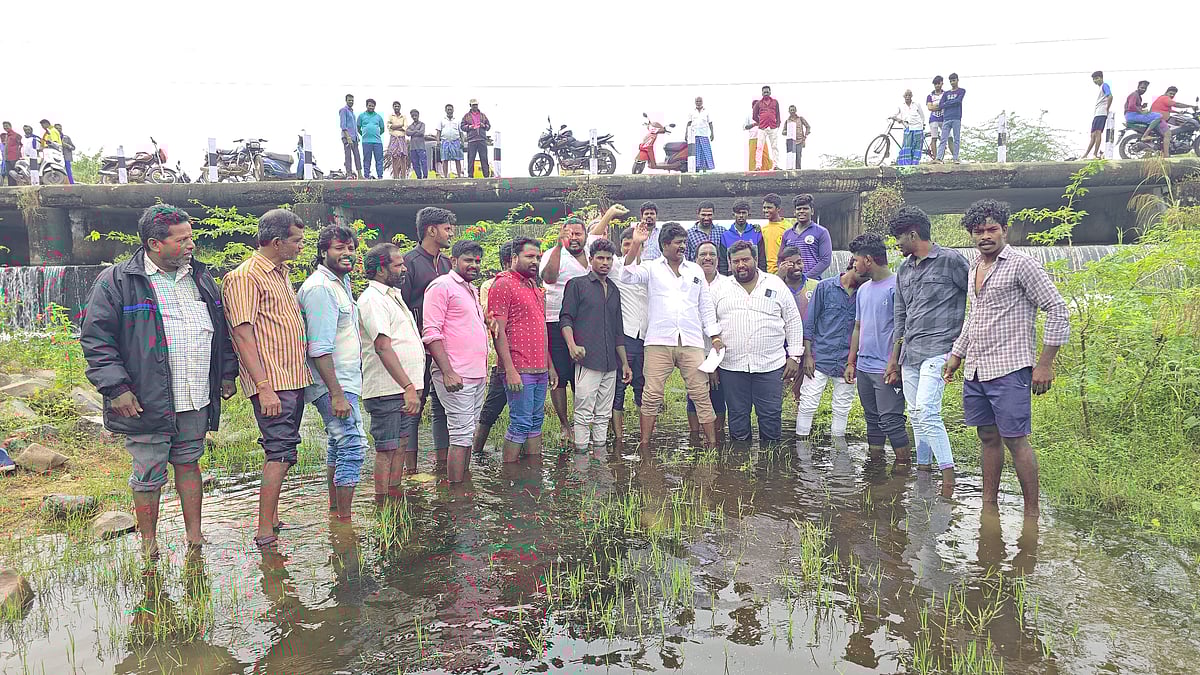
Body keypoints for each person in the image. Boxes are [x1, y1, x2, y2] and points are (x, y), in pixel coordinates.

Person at [80, 204, 237, 558]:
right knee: (148, 472)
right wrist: (116, 388)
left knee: (189, 462)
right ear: (154, 243)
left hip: (194, 395)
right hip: (145, 399)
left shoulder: (200, 277)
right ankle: (149, 547)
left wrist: (227, 374)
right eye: (181, 240)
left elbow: (220, 330)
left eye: (191, 237)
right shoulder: (117, 281)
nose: (191, 245)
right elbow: (95, 339)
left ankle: (195, 539)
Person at [944, 199, 1070, 518]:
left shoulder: (1022, 264)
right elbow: (975, 317)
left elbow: (1056, 309)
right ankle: (989, 504)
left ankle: (1032, 513)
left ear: (1004, 230)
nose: (985, 235)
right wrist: (957, 354)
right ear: (972, 234)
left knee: (1015, 439)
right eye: (978, 230)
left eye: (992, 229)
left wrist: (1044, 363)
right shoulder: (974, 266)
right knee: (987, 436)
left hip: (1010, 367)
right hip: (976, 368)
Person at [221, 209, 312, 550]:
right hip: (272, 381)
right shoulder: (246, 276)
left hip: (292, 377)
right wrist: (263, 386)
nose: (301, 247)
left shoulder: (281, 273)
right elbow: (242, 334)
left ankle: (272, 518)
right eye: (297, 241)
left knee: (285, 451)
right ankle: (264, 531)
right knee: (279, 451)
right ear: (277, 243)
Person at [620, 221, 725, 448]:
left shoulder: (695, 270)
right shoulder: (651, 268)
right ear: (665, 245)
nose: (683, 246)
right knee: (652, 395)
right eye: (678, 243)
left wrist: (714, 336)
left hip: (691, 342)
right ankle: (645, 445)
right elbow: (626, 275)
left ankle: (712, 444)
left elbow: (705, 306)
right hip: (658, 341)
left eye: (684, 242)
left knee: (700, 393)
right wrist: (637, 242)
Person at [885, 206, 968, 493]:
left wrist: (962, 348)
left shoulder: (951, 261)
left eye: (899, 237)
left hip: (940, 349)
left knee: (927, 411)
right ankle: (923, 470)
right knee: (915, 414)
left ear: (913, 234)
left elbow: (977, 300)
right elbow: (900, 316)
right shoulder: (904, 269)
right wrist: (894, 360)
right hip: (910, 353)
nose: (896, 244)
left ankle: (948, 478)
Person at [297, 225, 367, 520]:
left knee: (338, 443)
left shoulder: (341, 282)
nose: (347, 254)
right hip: (332, 384)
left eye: (350, 248)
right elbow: (320, 347)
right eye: (339, 248)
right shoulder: (321, 289)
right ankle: (344, 521)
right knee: (353, 444)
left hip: (345, 380)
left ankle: (335, 509)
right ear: (323, 251)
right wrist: (337, 394)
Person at [711, 240, 803, 444]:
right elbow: (709, 324)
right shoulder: (720, 288)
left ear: (755, 259)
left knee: (770, 416)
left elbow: (793, 320)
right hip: (732, 366)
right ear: (729, 262)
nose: (741, 265)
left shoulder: (775, 284)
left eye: (745, 259)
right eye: (736, 261)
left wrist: (795, 357)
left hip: (770, 365)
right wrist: (712, 362)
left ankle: (770, 466)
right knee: (737, 416)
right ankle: (739, 463)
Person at [357, 243, 424, 503]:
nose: (404, 268)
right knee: (387, 449)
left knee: (401, 445)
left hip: (403, 389)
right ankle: (383, 504)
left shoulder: (392, 295)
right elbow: (383, 346)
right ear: (381, 269)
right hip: (388, 390)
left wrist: (410, 387)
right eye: (397, 264)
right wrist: (408, 386)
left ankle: (395, 499)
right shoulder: (372, 299)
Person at [422, 240, 488, 483]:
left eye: (477, 261)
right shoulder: (441, 286)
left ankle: (464, 485)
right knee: (460, 434)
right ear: (454, 261)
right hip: (455, 374)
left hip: (476, 373)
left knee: (467, 433)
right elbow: (431, 332)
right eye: (468, 260)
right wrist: (447, 371)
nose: (473, 265)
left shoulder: (471, 289)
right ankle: (456, 494)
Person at [844, 233, 911, 465]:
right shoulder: (863, 290)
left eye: (856, 260)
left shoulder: (897, 287)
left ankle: (903, 470)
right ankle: (876, 466)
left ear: (869, 260)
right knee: (872, 420)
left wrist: (896, 364)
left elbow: (903, 330)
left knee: (891, 420)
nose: (854, 264)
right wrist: (851, 362)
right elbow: (857, 327)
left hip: (886, 368)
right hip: (864, 367)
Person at [490, 236, 557, 462]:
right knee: (520, 422)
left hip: (540, 369)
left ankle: (533, 474)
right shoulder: (503, 284)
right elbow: (497, 331)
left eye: (537, 257)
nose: (535, 262)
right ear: (514, 258)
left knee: (537, 421)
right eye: (529, 256)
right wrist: (509, 370)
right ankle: (509, 478)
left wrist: (550, 367)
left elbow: (541, 331)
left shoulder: (534, 287)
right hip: (519, 368)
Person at [561, 238, 632, 453]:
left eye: (609, 259)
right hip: (587, 359)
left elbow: (618, 330)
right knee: (583, 412)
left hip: (611, 362)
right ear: (591, 259)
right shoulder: (577, 285)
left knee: (603, 413)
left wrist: (625, 364)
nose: (605, 263)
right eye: (600, 258)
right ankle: (581, 459)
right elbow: (565, 319)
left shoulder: (614, 290)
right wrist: (572, 346)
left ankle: (600, 458)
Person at [399, 207, 454, 464]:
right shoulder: (409, 262)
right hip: (416, 347)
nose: (450, 233)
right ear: (431, 230)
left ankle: (441, 465)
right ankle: (409, 469)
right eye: (446, 228)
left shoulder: (446, 263)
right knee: (414, 404)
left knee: (442, 403)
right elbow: (402, 306)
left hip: (443, 346)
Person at [540, 217, 600, 446]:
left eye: (578, 234)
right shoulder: (552, 253)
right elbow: (548, 277)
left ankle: (583, 422)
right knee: (560, 378)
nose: (574, 238)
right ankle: (566, 425)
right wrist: (558, 246)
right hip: (555, 321)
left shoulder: (592, 256)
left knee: (583, 375)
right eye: (569, 234)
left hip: (585, 323)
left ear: (585, 236)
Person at [794, 260, 860, 439]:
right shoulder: (825, 287)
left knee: (842, 407)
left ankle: (838, 451)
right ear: (854, 265)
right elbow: (809, 323)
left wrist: (853, 362)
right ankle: (801, 446)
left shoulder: (864, 292)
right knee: (808, 402)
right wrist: (808, 355)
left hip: (848, 361)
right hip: (820, 356)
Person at [472, 241, 515, 454]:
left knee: (525, 412)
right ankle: (476, 452)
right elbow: (494, 323)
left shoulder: (529, 285)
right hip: (501, 358)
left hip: (525, 359)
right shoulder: (493, 286)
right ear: (510, 260)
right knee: (491, 408)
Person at [609, 226, 649, 449]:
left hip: (646, 337)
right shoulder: (616, 266)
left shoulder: (650, 269)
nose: (630, 249)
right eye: (626, 245)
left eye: (634, 245)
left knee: (642, 387)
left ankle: (645, 437)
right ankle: (619, 438)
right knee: (619, 388)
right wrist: (635, 242)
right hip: (625, 337)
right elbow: (628, 264)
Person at [686, 241, 727, 443]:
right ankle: (695, 439)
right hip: (694, 349)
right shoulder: (687, 282)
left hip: (719, 351)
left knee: (718, 394)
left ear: (718, 259)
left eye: (712, 254)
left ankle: (717, 440)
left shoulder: (728, 284)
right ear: (696, 258)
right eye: (703, 254)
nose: (707, 257)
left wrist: (714, 363)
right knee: (695, 394)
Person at [780, 194, 832, 279]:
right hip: (791, 282)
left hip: (812, 281)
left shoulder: (822, 232)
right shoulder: (787, 234)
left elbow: (825, 260)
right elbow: (781, 258)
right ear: (794, 212)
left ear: (812, 211)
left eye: (805, 208)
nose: (801, 211)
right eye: (798, 209)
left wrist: (805, 277)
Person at [1151, 86, 1199, 158]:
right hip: (1158, 120)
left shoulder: (1163, 99)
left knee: (1175, 124)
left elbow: (1168, 110)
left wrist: (1179, 112)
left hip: (1159, 119)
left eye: (1173, 94)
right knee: (1168, 133)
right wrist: (1191, 106)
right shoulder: (1165, 98)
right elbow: (1176, 104)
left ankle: (1173, 144)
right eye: (1170, 93)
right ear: (1166, 92)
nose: (1172, 95)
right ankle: (1166, 155)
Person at [721, 200, 768, 273]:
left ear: (749, 214)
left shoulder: (756, 232)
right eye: (738, 213)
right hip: (732, 276)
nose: (741, 215)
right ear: (733, 214)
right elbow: (723, 262)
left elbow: (762, 259)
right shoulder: (725, 235)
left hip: (754, 275)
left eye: (744, 213)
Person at [686, 200, 729, 275]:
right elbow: (686, 259)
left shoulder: (722, 231)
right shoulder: (689, 234)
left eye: (709, 215)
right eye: (703, 215)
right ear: (698, 214)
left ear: (714, 215)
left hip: (718, 276)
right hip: (696, 275)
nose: (706, 218)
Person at [777, 245, 818, 320]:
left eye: (799, 263)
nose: (796, 268)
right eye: (791, 264)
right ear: (783, 266)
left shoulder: (816, 286)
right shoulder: (777, 287)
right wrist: (779, 277)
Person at [1124, 80, 1165, 150]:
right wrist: (1142, 112)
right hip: (1132, 115)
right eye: (1142, 88)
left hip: (1132, 115)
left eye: (1145, 89)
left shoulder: (1138, 96)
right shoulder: (1134, 94)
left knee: (1153, 115)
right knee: (1159, 116)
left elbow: (1135, 106)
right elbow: (1131, 106)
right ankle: (1145, 135)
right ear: (1138, 87)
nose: (1143, 90)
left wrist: (1142, 106)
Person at [936, 73, 966, 163]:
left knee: (956, 139)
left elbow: (958, 101)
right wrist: (950, 103)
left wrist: (947, 104)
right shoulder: (946, 93)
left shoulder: (961, 91)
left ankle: (955, 158)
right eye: (951, 81)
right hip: (946, 118)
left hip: (956, 117)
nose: (952, 82)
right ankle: (939, 158)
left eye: (954, 80)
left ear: (957, 80)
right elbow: (941, 105)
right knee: (943, 139)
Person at [892, 89, 926, 165]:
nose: (907, 97)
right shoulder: (901, 106)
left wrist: (922, 124)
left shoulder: (916, 104)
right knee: (907, 146)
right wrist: (898, 119)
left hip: (918, 127)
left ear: (911, 96)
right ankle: (906, 164)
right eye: (906, 95)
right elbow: (894, 115)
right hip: (908, 127)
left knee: (917, 147)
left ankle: (915, 163)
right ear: (904, 97)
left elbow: (922, 116)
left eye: (909, 95)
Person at [1084, 71, 1113, 160]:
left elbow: (1110, 96)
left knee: (1098, 133)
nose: (1095, 80)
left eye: (1097, 78)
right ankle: (1086, 154)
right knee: (1093, 134)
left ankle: (1095, 154)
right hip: (1097, 113)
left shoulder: (1105, 85)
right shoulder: (1100, 88)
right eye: (1094, 79)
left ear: (1101, 78)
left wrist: (1107, 108)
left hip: (1101, 112)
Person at [752, 85, 781, 171]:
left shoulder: (775, 102)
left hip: (773, 127)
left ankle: (775, 165)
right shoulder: (758, 104)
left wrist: (778, 124)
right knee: (759, 147)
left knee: (774, 146)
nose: (766, 93)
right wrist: (760, 122)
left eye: (767, 92)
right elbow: (754, 116)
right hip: (762, 127)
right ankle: (758, 166)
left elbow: (778, 114)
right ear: (762, 93)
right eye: (764, 92)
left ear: (770, 92)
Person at [461, 98, 491, 178]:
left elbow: (488, 126)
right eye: (473, 105)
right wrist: (469, 127)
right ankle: (470, 176)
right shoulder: (466, 116)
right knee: (471, 159)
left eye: (476, 105)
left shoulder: (483, 115)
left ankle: (486, 176)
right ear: (470, 105)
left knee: (484, 158)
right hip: (472, 140)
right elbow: (462, 127)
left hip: (482, 139)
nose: (475, 106)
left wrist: (483, 125)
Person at [761, 193, 789, 274]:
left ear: (778, 208)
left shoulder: (788, 228)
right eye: (764, 208)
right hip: (766, 274)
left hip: (784, 274)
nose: (766, 210)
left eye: (769, 207)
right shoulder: (763, 230)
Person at [357, 99, 386, 180]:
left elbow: (382, 129)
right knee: (367, 159)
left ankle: (380, 176)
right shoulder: (361, 116)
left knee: (379, 160)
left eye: (373, 106)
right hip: (366, 142)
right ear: (366, 106)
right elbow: (358, 128)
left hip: (377, 142)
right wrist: (364, 135)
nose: (371, 107)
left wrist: (376, 135)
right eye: (369, 105)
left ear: (375, 107)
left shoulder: (378, 117)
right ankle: (366, 176)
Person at [686, 96, 715, 172]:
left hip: (704, 135)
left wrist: (712, 133)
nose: (698, 103)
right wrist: (686, 134)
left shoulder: (706, 112)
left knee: (705, 153)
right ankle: (697, 170)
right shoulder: (691, 112)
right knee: (696, 154)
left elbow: (710, 123)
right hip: (694, 136)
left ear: (702, 102)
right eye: (697, 101)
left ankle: (704, 170)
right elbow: (689, 123)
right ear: (695, 102)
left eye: (700, 101)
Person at [339, 93, 362, 179]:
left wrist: (357, 136)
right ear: (346, 100)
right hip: (347, 137)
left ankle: (360, 174)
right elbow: (343, 125)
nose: (351, 102)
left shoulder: (352, 112)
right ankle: (349, 174)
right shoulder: (343, 110)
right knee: (348, 156)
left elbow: (354, 126)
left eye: (352, 100)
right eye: (349, 100)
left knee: (357, 155)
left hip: (354, 137)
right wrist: (348, 137)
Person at [438, 104, 464, 178]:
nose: (449, 111)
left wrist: (462, 142)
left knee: (457, 159)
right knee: (444, 159)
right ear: (445, 110)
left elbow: (461, 132)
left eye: (451, 109)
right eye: (448, 109)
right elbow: (438, 132)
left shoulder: (457, 120)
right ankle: (445, 176)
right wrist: (438, 142)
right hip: (444, 142)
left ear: (453, 110)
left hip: (455, 141)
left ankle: (459, 176)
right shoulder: (442, 120)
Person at [386, 102, 409, 180]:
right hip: (393, 138)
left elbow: (405, 127)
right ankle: (395, 176)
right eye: (395, 106)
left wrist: (395, 127)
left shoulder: (404, 117)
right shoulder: (390, 116)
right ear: (393, 107)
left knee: (403, 157)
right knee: (394, 157)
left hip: (402, 138)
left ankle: (403, 177)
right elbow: (389, 126)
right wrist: (400, 126)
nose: (396, 107)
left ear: (400, 107)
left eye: (398, 106)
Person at [926, 76, 945, 159]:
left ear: (942, 83)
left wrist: (936, 106)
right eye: (935, 84)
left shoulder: (946, 94)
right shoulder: (930, 96)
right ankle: (935, 157)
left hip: (944, 119)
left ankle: (942, 157)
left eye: (938, 83)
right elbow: (930, 108)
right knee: (934, 138)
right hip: (933, 119)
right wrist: (940, 106)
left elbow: (947, 105)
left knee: (948, 138)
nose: (937, 85)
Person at [407, 110, 429, 179]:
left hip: (421, 146)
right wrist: (416, 131)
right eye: (413, 116)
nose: (414, 117)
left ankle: (425, 176)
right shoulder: (410, 126)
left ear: (418, 115)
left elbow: (421, 132)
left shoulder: (422, 124)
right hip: (413, 147)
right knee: (415, 163)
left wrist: (412, 132)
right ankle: (418, 176)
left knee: (423, 162)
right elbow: (407, 133)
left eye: (415, 115)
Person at [2, 122, 22, 186]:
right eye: (4, 126)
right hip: (7, 158)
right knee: (9, 174)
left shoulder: (16, 135)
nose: (5, 127)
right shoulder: (7, 136)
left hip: (14, 157)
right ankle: (11, 186)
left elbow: (21, 144)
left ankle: (17, 186)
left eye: (6, 126)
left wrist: (18, 153)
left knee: (15, 173)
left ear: (10, 126)